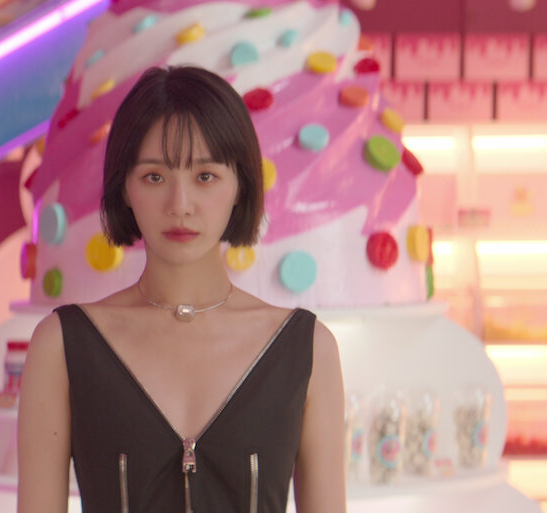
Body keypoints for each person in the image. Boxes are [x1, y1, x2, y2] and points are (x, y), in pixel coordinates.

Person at [17, 66, 346, 513]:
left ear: (240, 185)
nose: (180, 205)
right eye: (154, 176)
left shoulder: (307, 348)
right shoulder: (61, 345)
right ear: (125, 188)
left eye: (205, 176)